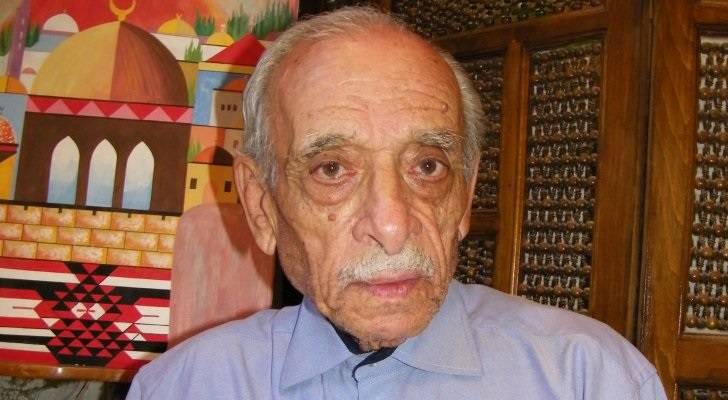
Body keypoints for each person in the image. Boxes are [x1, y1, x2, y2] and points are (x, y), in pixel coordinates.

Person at [127, 7, 667, 399]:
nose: (391, 225)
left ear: (464, 195)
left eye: (427, 166)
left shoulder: (588, 379)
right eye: (332, 169)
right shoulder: (187, 387)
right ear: (261, 203)